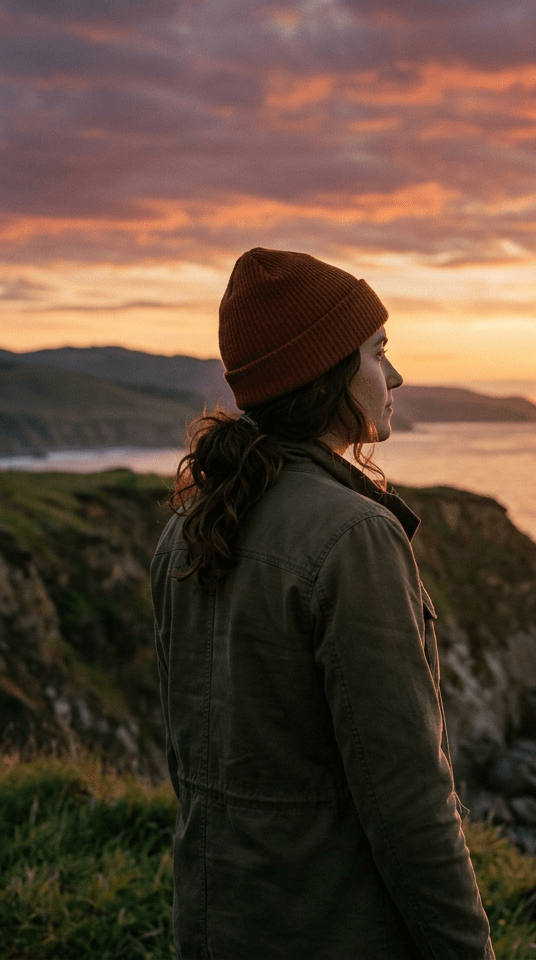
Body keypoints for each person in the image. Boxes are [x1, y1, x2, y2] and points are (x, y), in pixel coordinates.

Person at [151, 247, 494, 959]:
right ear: (330, 371)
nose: (395, 376)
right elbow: (409, 800)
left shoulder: (184, 531)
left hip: (216, 926)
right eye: (378, 354)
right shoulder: (355, 536)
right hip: (335, 932)